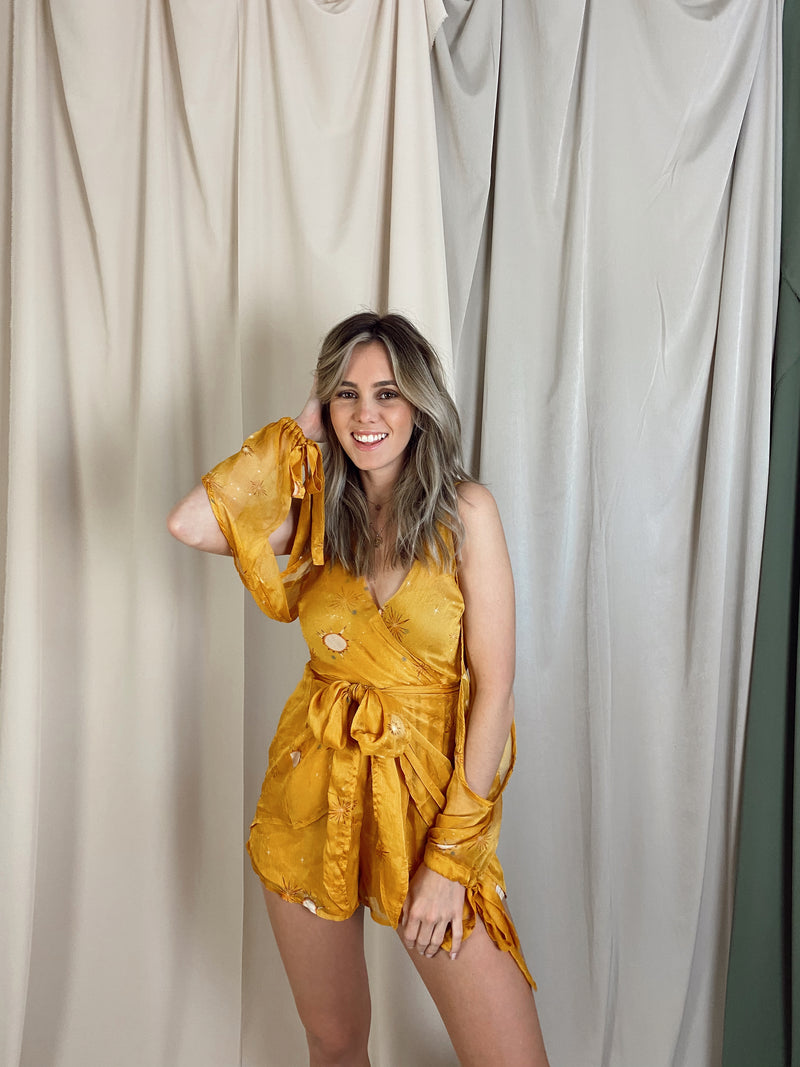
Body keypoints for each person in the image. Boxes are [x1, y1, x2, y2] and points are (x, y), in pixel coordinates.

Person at [167, 312, 549, 1067]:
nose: (366, 413)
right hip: (314, 793)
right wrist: (302, 433)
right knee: (334, 1041)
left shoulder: (466, 513)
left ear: (419, 403)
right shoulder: (315, 516)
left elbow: (496, 690)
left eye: (386, 393)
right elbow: (191, 523)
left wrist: (451, 858)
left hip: (430, 805)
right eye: (346, 394)